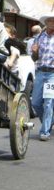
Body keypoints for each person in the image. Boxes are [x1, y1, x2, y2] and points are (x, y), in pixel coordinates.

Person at [31, 12, 54, 141]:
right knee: (35, 103)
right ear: (46, 23)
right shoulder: (39, 37)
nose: (52, 22)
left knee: (49, 103)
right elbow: (34, 58)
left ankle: (45, 131)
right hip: (40, 72)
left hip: (53, 74)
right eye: (50, 20)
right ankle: (50, 120)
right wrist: (34, 52)